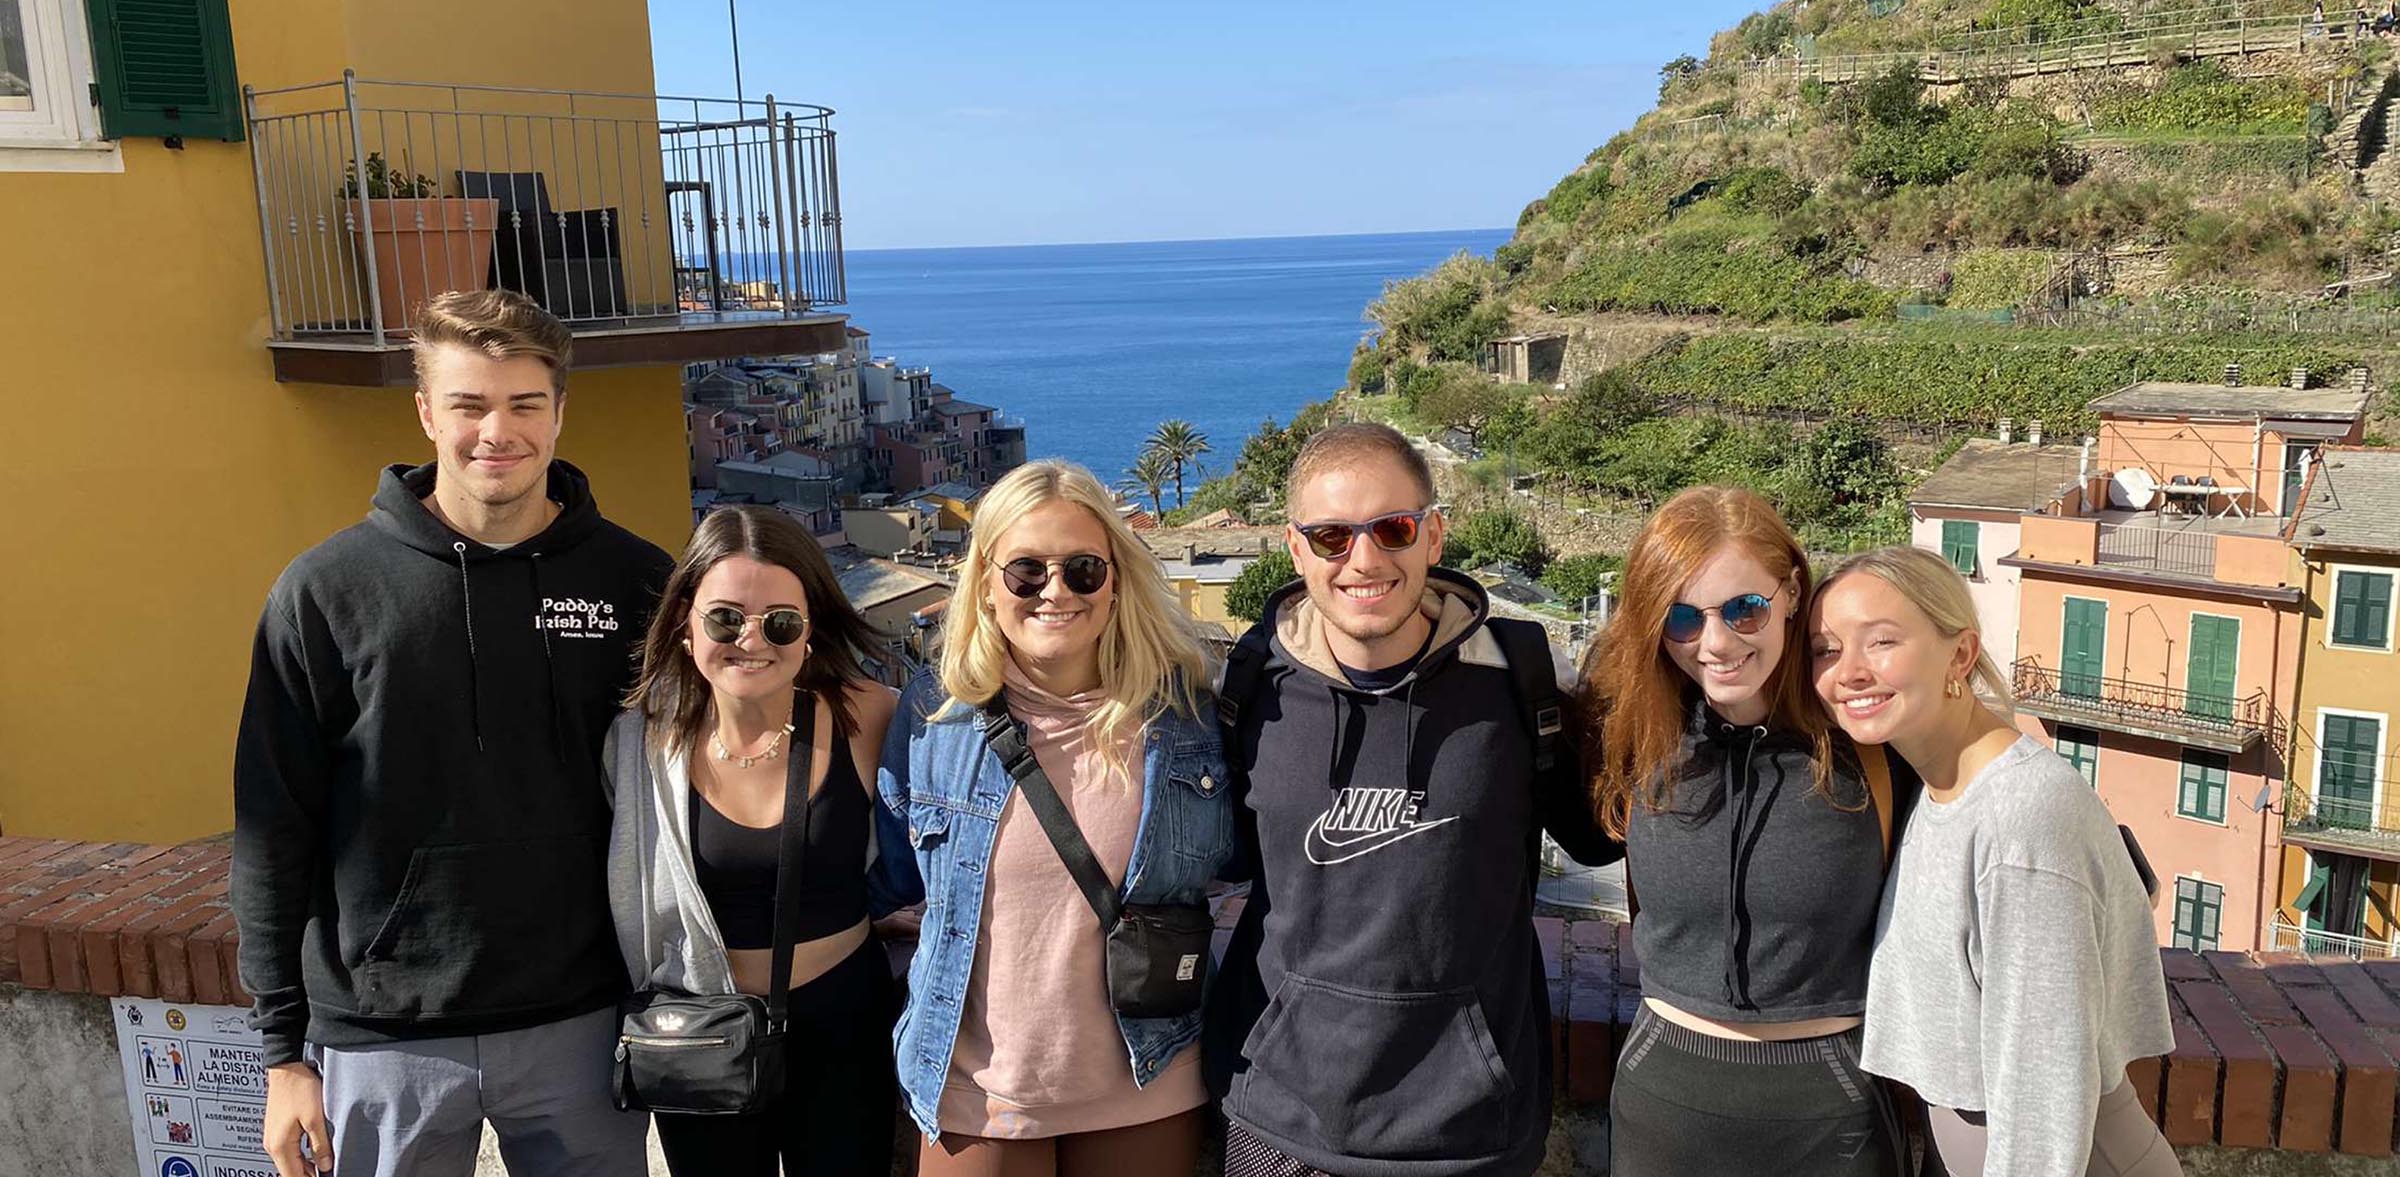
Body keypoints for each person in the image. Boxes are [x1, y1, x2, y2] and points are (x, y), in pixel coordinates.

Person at [233, 289, 671, 1177]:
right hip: (385, 1030)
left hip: (584, 1020)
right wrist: (283, 1055)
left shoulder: (638, 581)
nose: (495, 432)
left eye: (523, 404)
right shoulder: (327, 590)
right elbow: (272, 827)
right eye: (469, 405)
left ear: (559, 412)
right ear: (428, 411)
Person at [1209, 423, 1619, 1177]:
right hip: (1281, 1117)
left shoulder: (1518, 682)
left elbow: (1603, 834)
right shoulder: (1249, 692)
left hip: (1471, 1130)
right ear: (1296, 550)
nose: (1364, 559)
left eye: (1392, 529)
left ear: (1433, 536)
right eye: (1331, 536)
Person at [881, 460, 1234, 1177]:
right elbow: (894, 870)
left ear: (1116, 578)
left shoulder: (1187, 717)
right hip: (979, 1088)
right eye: (1026, 571)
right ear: (985, 581)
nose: (1055, 591)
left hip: (1147, 1079)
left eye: (1081, 569)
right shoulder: (932, 720)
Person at [1809, 546, 2178, 1177]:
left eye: (1882, 641)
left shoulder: (2019, 817)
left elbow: (2046, 1077)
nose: (1849, 671)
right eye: (1825, 649)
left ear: (1959, 653)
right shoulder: (1941, 782)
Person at [1576, 485, 1905, 1176]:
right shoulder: (1632, 729)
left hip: (1831, 1107)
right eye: (1683, 618)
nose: (1717, 643)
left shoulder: (1869, 738)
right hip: (1664, 1102)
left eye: (1745, 609)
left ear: (1789, 592)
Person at [607, 504, 918, 1175]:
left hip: (843, 1025)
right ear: (687, 622)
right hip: (702, 1032)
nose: (752, 639)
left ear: (810, 631)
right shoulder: (642, 742)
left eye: (780, 622)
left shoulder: (868, 716)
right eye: (725, 618)